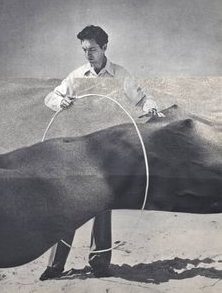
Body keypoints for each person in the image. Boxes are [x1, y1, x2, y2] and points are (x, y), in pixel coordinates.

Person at [40, 25, 162, 281]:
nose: (88, 55)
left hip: (107, 152)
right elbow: (51, 97)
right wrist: (59, 101)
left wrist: (150, 106)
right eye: (84, 50)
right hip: (79, 150)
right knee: (69, 205)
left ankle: (99, 263)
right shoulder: (76, 76)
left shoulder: (120, 75)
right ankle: (55, 266)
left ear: (105, 47)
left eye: (93, 49)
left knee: (103, 205)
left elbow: (141, 100)